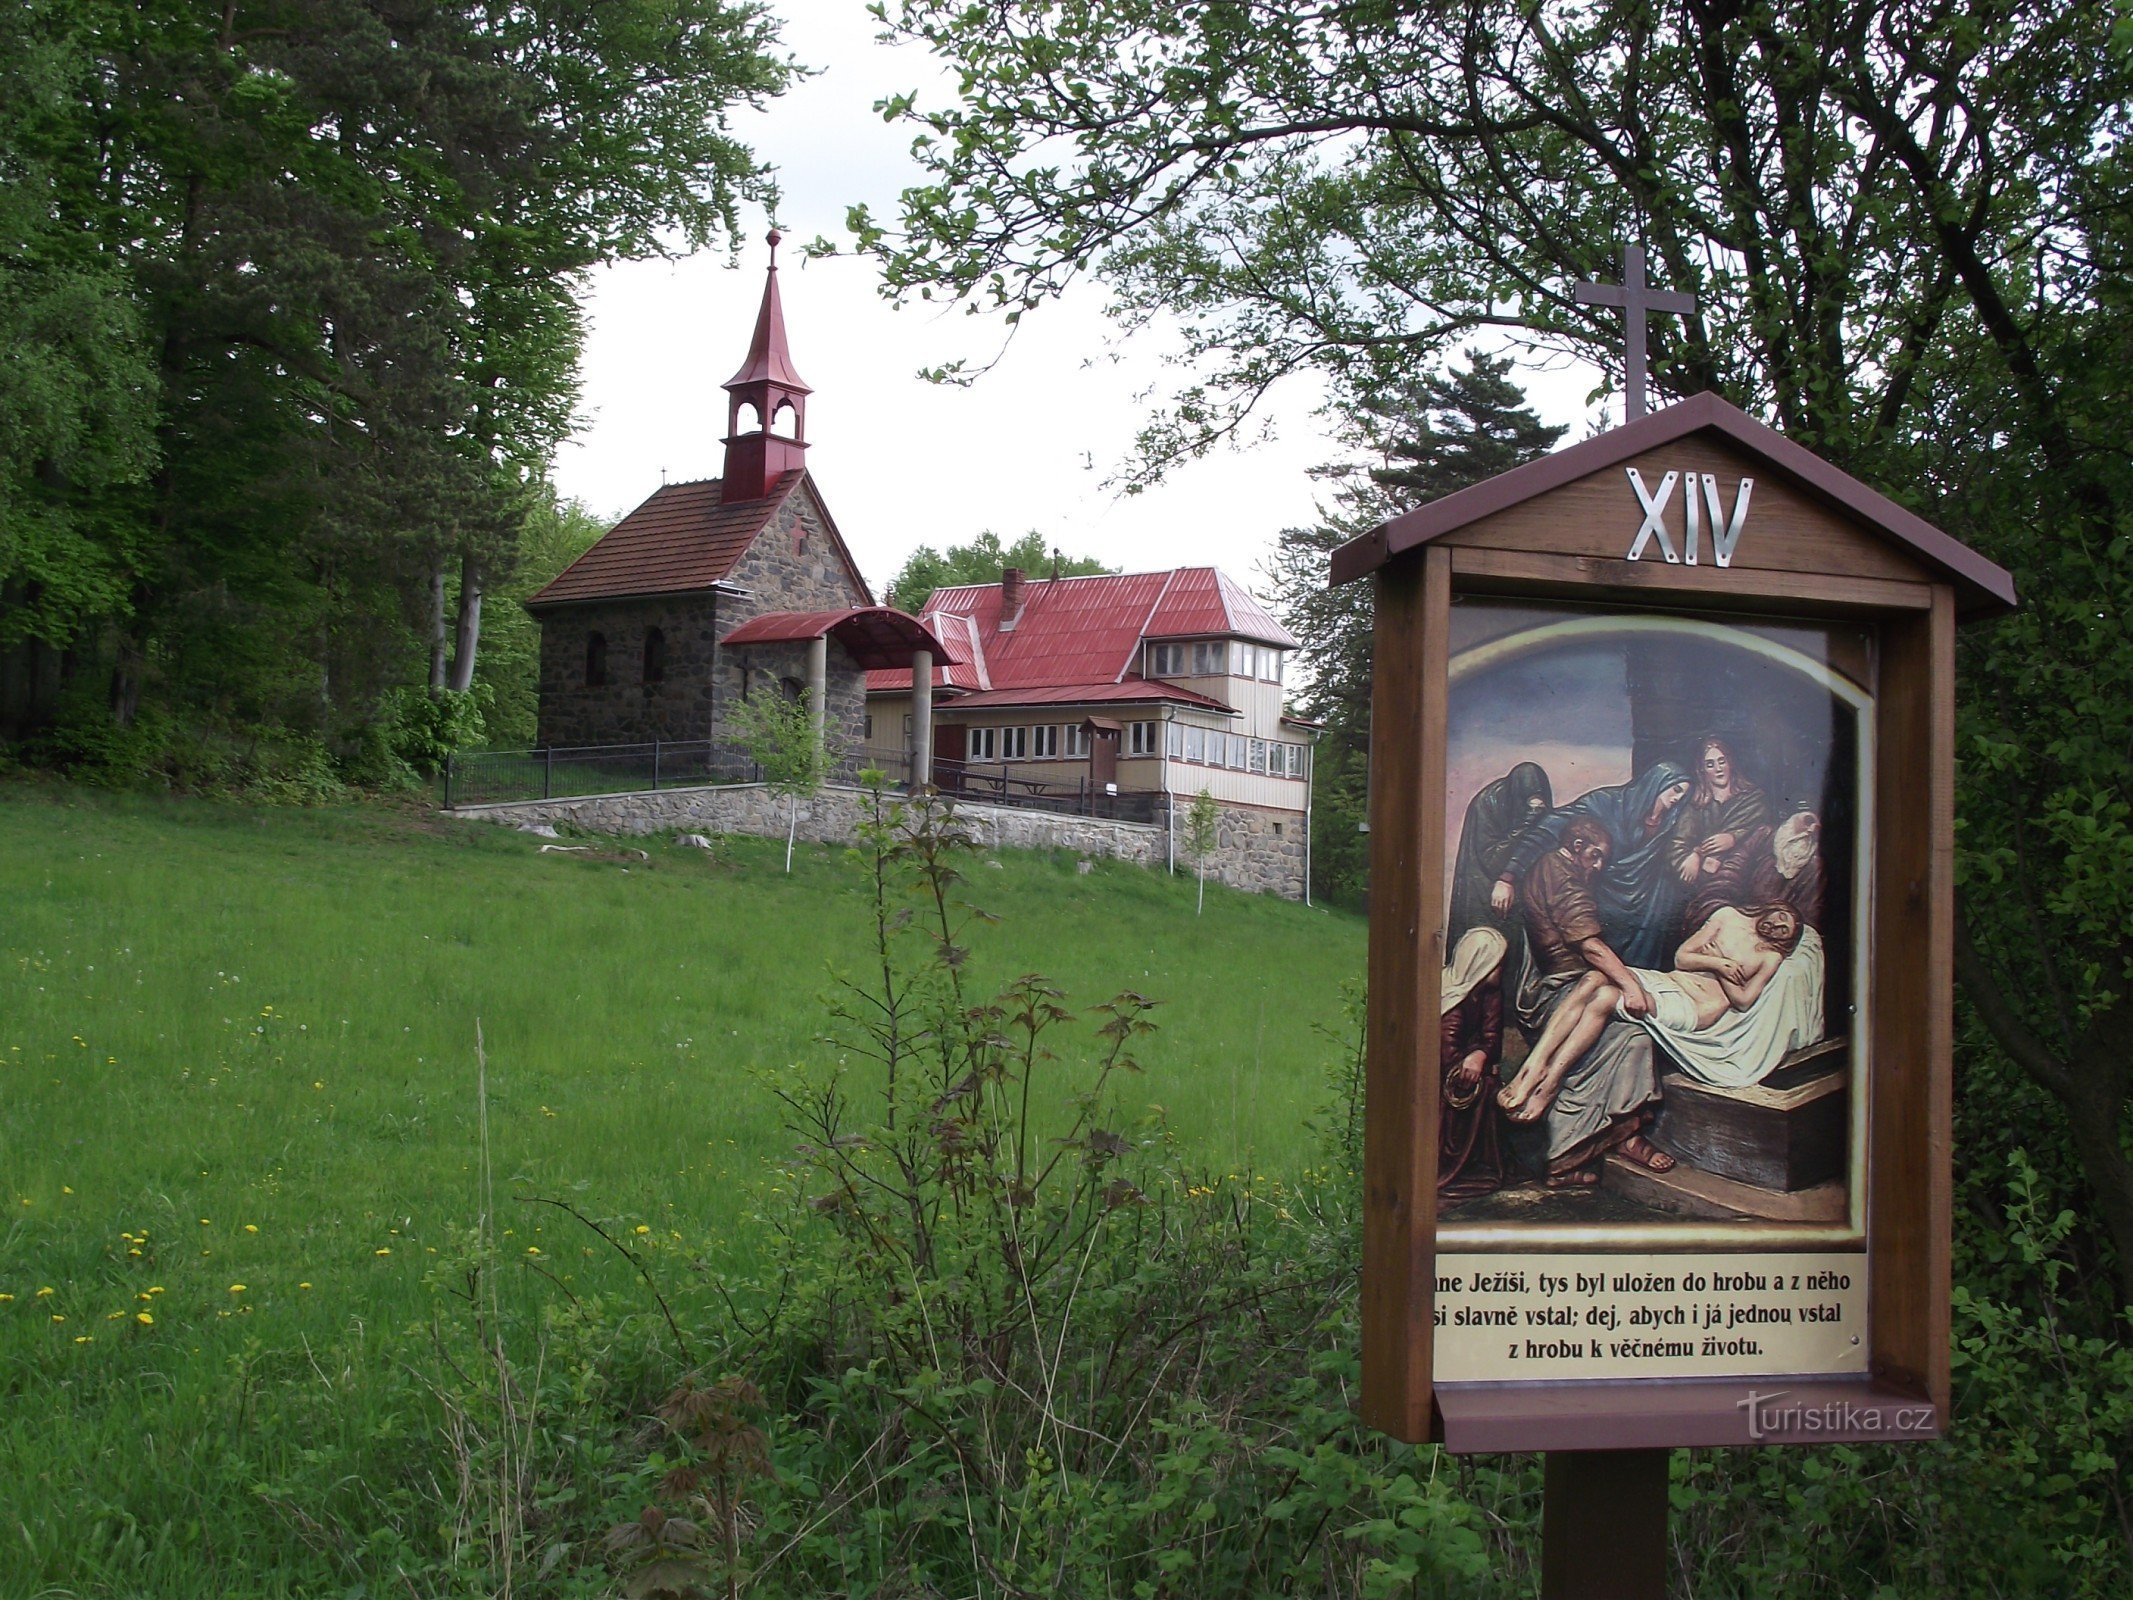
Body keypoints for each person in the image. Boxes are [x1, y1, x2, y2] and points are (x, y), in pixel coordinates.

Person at [1494, 819, 1669, 1182]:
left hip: (1579, 989)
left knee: (1606, 994)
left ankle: (1546, 1079)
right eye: (1595, 856)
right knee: (1631, 1034)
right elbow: (1587, 944)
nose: (1599, 866)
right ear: (1575, 846)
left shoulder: (1550, 866)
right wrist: (1633, 987)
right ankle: (1561, 1135)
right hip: (1556, 992)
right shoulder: (1562, 874)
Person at [1490, 761, 1696, 968]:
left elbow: (1680, 848)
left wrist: (1697, 853)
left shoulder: (1671, 823)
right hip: (1602, 896)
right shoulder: (1606, 803)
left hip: (1644, 906)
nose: (1677, 798)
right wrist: (1508, 877)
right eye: (1675, 789)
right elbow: (1548, 829)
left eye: (1683, 795)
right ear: (1656, 783)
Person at [1447, 762, 1553, 952]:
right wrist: (1529, 820)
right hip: (1484, 891)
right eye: (1531, 801)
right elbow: (1493, 860)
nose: (1538, 806)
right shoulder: (1488, 803)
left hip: (1516, 886)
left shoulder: (1538, 808)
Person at [1670, 737, 1773, 930]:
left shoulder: (1753, 798)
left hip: (1744, 879)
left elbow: (1762, 834)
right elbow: (1678, 843)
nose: (1718, 768)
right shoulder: (1697, 805)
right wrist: (1693, 855)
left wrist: (1733, 837)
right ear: (1702, 770)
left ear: (1730, 762)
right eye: (1710, 764)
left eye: (1722, 761)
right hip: (1702, 881)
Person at [1438, 927, 1508, 1201]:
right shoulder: (1451, 1002)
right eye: (1498, 961)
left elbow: (1493, 1040)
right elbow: (1446, 1058)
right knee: (1488, 1090)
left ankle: (1484, 1161)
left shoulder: (1489, 994)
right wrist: (1470, 1064)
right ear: (1481, 962)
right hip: (1444, 1087)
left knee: (1492, 1088)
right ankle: (1465, 1165)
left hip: (1468, 1072)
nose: (1503, 967)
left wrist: (1480, 1054)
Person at [1745, 808, 1827, 930]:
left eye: (1817, 827)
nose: (1811, 830)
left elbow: (1810, 917)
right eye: (1808, 821)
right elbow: (1730, 875)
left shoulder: (1816, 867)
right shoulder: (1763, 836)